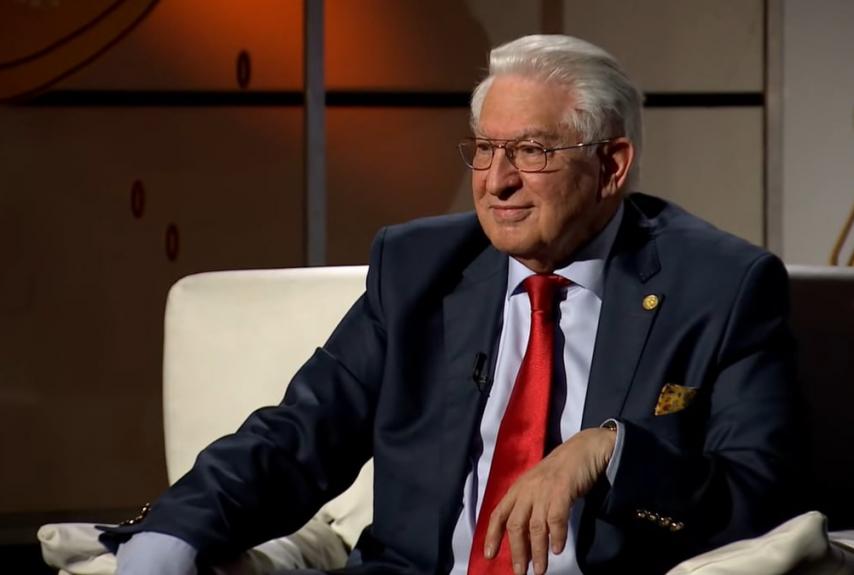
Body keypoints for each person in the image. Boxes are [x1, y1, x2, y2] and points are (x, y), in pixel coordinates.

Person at [103, 35, 802, 575]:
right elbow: (300, 434)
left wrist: (612, 451)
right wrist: (172, 533)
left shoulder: (719, 287)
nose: (496, 182)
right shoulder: (420, 268)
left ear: (611, 166)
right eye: (485, 149)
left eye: (531, 151)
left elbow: (759, 496)